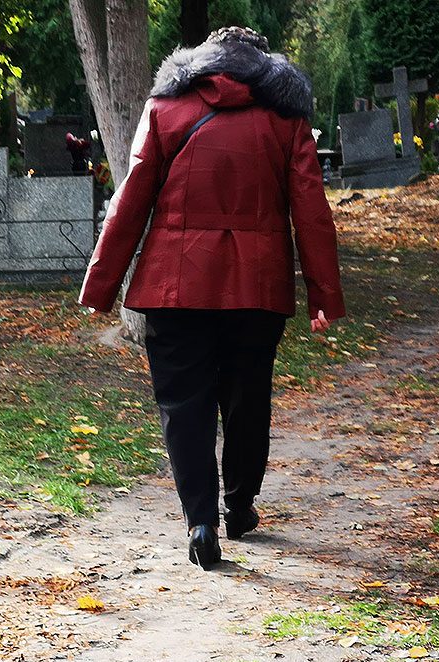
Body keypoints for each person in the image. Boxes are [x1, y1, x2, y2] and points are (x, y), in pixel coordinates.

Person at [78, 27, 345, 570]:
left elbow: (132, 197)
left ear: (200, 63)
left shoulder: (165, 109)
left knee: (184, 404)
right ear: (263, 66)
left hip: (174, 285)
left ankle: (200, 521)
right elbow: (311, 209)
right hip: (257, 287)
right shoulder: (286, 119)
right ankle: (240, 505)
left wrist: (102, 283)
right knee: (248, 398)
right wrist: (323, 293)